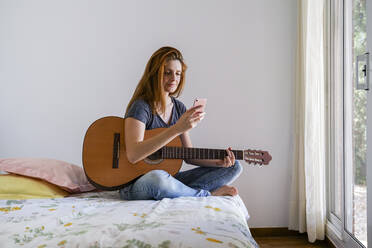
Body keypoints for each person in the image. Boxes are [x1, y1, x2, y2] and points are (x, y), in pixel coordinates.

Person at [119, 46, 242, 201]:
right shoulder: (141, 106)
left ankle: (183, 191)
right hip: (136, 183)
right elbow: (133, 154)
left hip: (169, 177)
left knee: (235, 166)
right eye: (167, 72)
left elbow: (188, 155)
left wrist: (218, 162)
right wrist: (177, 129)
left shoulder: (178, 108)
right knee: (158, 178)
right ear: (155, 74)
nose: (174, 79)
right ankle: (206, 195)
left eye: (178, 73)